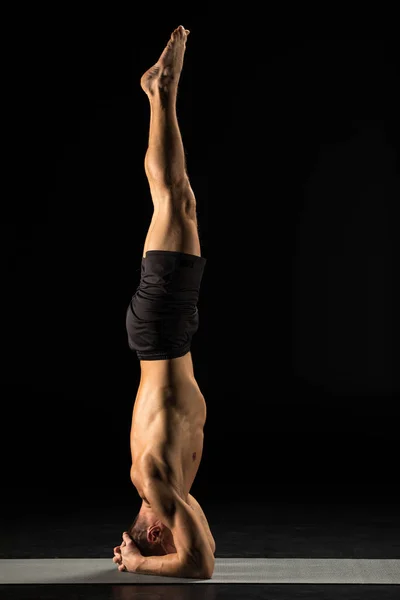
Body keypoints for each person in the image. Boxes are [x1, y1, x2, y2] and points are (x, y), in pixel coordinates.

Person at [112, 25, 215, 579]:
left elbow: (199, 566)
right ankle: (160, 91)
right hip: (171, 337)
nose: (188, 527)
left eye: (166, 537)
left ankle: (160, 89)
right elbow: (203, 553)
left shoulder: (155, 480)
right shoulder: (169, 491)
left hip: (159, 333)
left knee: (175, 197)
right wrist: (139, 554)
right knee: (181, 199)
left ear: (156, 530)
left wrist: (135, 565)